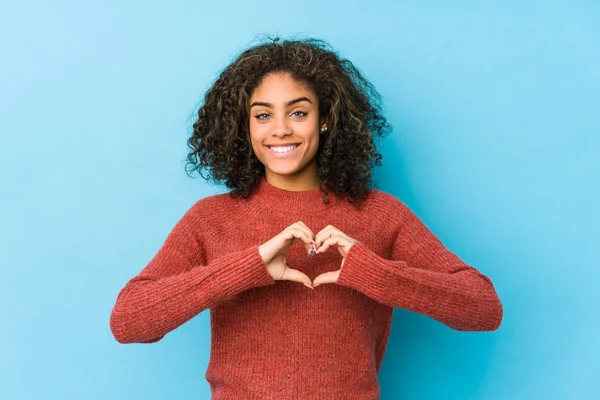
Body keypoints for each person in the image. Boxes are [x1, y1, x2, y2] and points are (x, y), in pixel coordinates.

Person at [109, 37, 503, 399]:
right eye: (262, 116)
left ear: (326, 119)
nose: (279, 130)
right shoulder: (211, 219)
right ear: (244, 127)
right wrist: (249, 267)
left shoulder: (380, 214)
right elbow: (129, 321)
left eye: (297, 112)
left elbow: (483, 309)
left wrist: (374, 272)